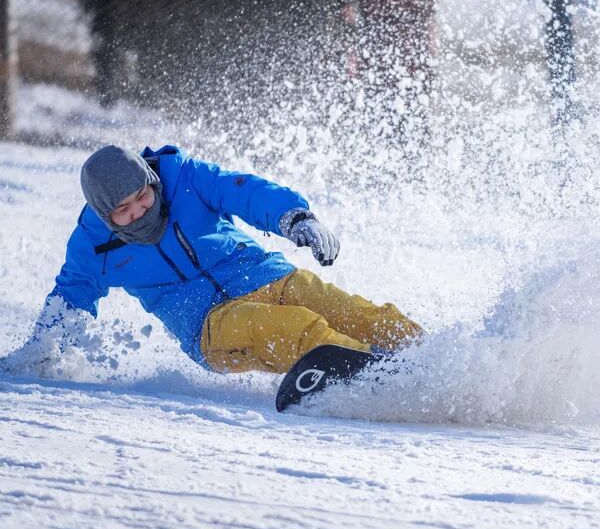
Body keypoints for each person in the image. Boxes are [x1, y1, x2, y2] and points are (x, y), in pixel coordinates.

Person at [3, 144, 422, 375]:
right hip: (210, 325)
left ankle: (426, 356)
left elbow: (243, 191)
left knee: (346, 310)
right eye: (123, 210)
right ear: (104, 215)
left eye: (143, 196)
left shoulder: (182, 178)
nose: (140, 211)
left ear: (151, 180)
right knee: (294, 326)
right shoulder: (92, 246)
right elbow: (70, 298)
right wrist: (36, 355)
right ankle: (375, 376)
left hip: (265, 275)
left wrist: (295, 217)